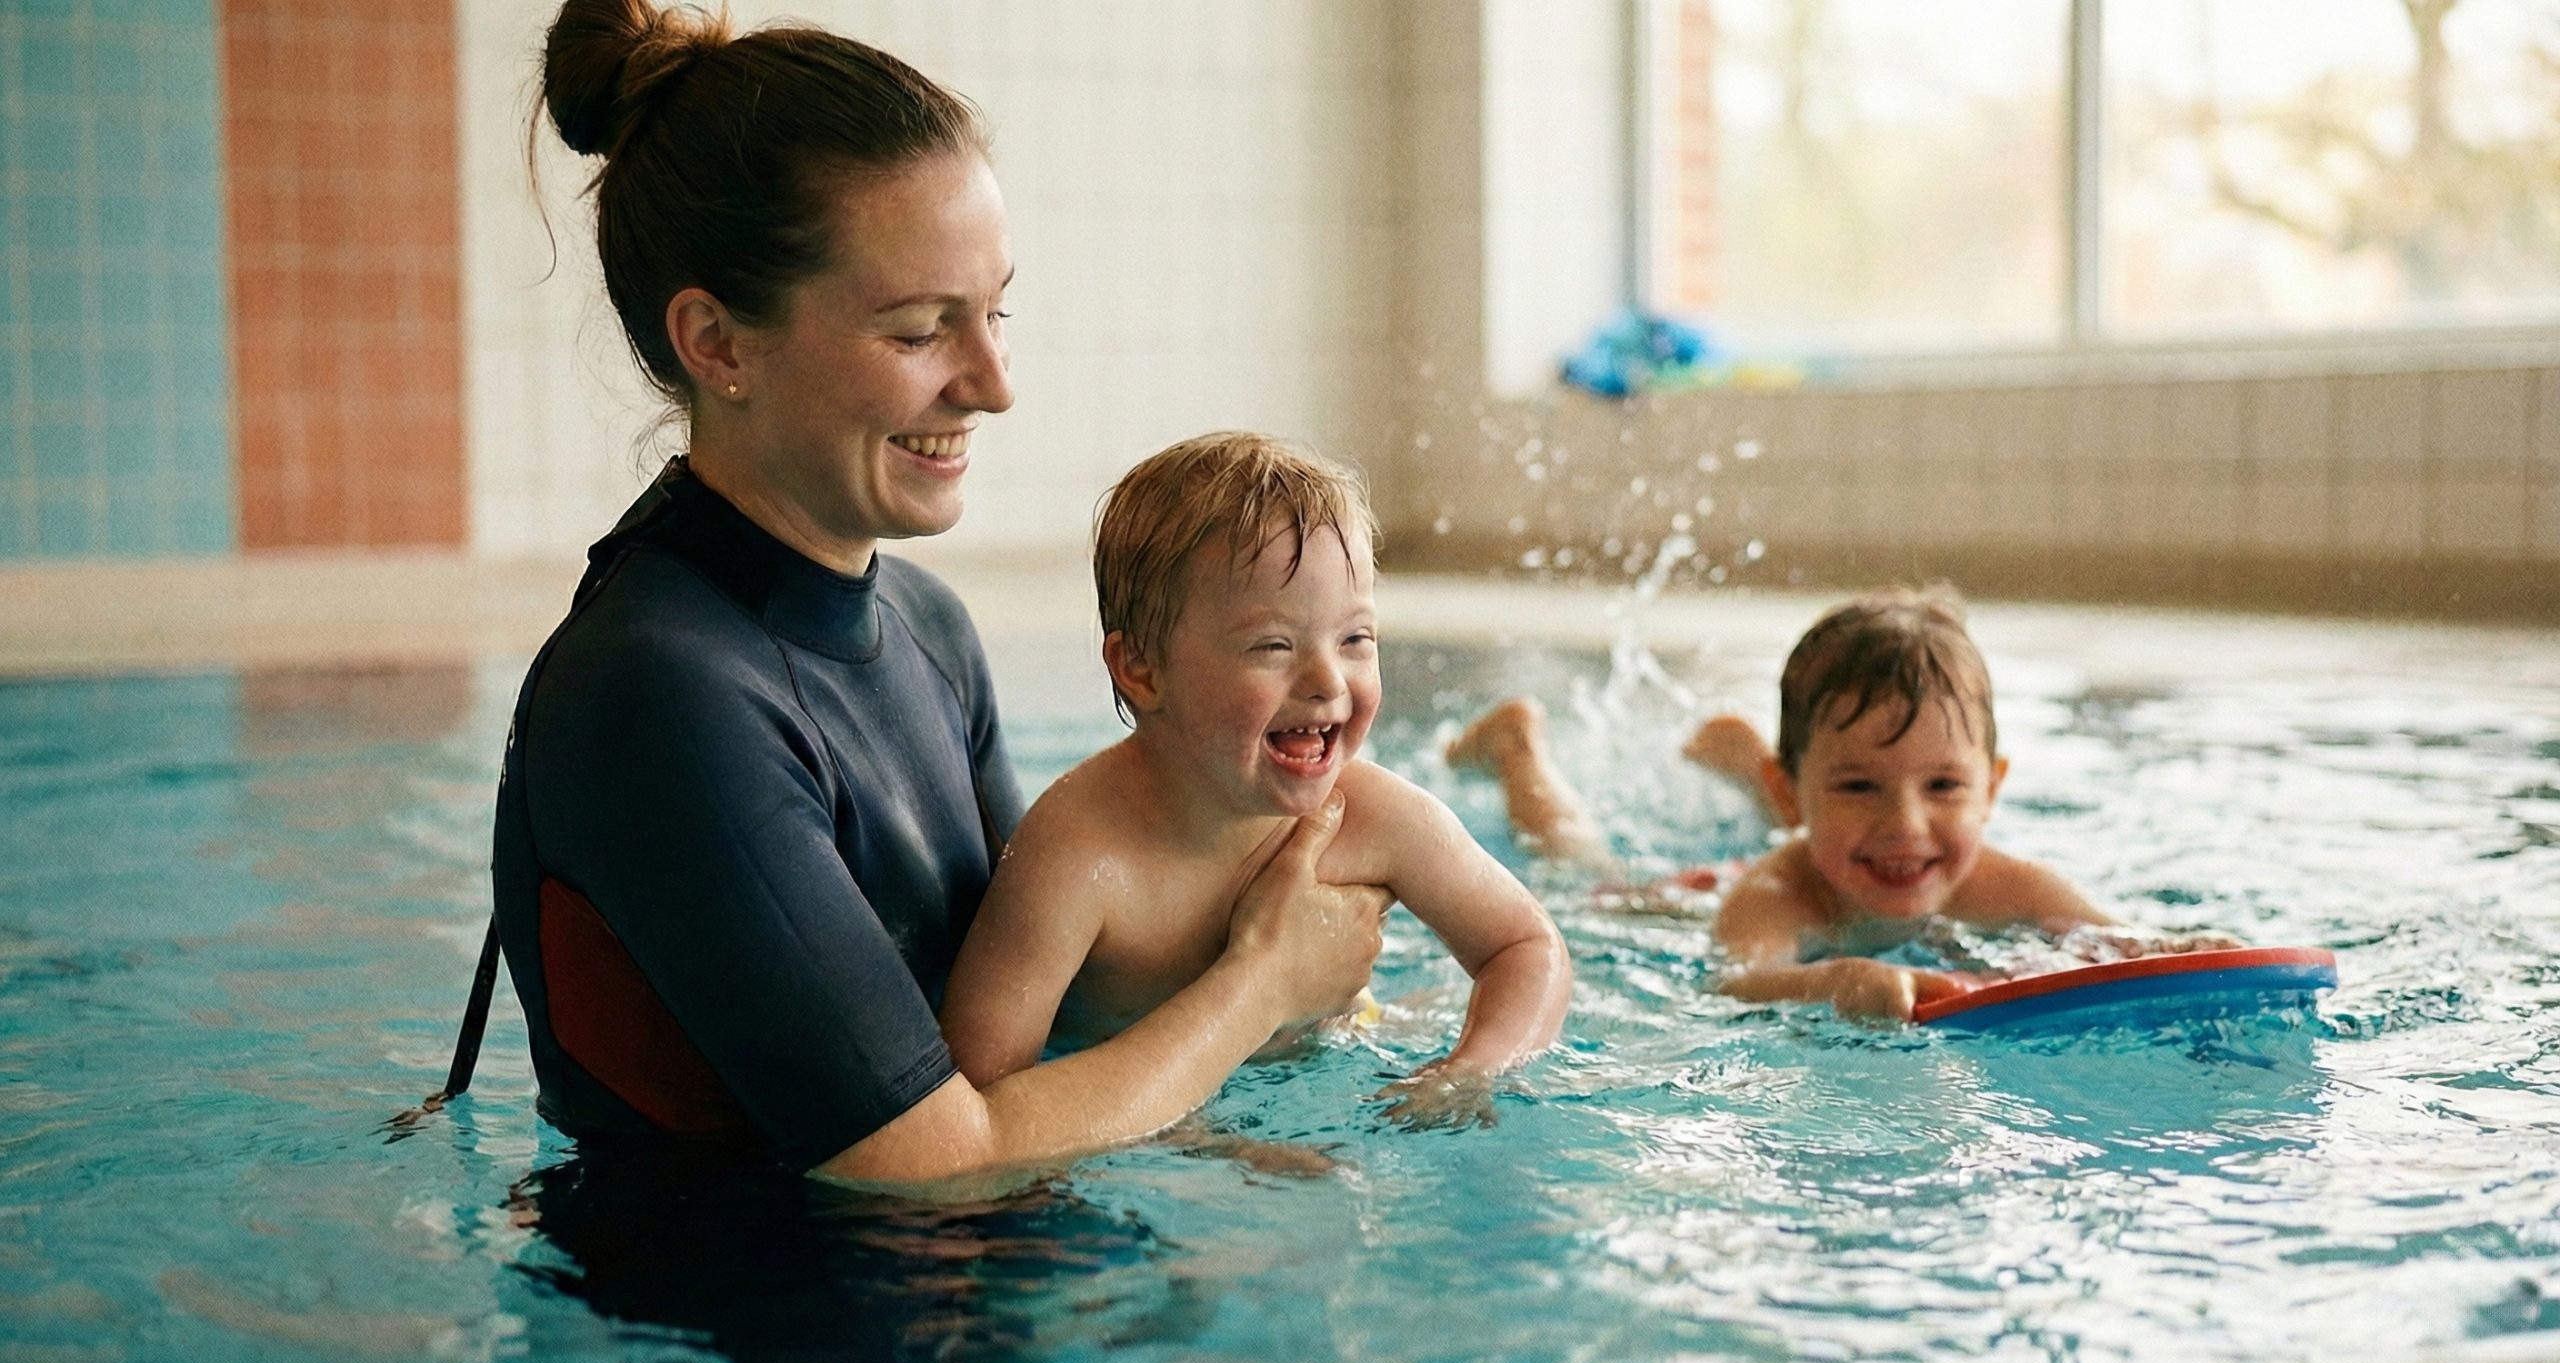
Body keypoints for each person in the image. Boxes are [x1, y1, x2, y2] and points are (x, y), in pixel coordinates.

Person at [466, 0, 1388, 1187]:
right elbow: (921, 1159)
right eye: (919, 331)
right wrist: (1265, 977)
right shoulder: (659, 693)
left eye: (993, 313)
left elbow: (1051, 1035)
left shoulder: (930, 633)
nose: (993, 385)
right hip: (747, 1327)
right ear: (719, 344)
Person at [938, 433, 1573, 1127]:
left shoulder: (1375, 817)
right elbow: (978, 1094)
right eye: (1274, 646)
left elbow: (1528, 947)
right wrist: (1197, 1143)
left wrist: (1469, 1071)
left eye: (1356, 639)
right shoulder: (1079, 859)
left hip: (1346, 1033)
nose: (1329, 680)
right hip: (1150, 1101)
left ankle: (1518, 757)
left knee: (1594, 878)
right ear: (1142, 670)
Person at [1448, 586, 2228, 1021]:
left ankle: (1759, 766)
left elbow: (2114, 939)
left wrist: (2181, 946)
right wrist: (1827, 980)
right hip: (1697, 892)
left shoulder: (2005, 881)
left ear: (1992, 789)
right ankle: (1519, 749)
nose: (1906, 825)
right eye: (1859, 785)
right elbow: (1732, 980)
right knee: (1581, 871)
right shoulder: (1773, 896)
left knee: (1853, 823)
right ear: (1798, 796)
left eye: (1945, 787)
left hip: (1807, 819)